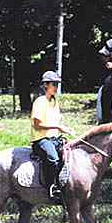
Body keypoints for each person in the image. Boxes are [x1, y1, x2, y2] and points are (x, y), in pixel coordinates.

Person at [30, 71, 74, 202]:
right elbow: (37, 125)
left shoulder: (55, 102)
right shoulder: (40, 102)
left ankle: (64, 185)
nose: (56, 87)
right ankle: (50, 188)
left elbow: (56, 122)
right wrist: (57, 127)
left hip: (54, 138)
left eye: (57, 84)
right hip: (41, 140)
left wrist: (64, 129)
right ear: (46, 85)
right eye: (53, 84)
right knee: (53, 158)